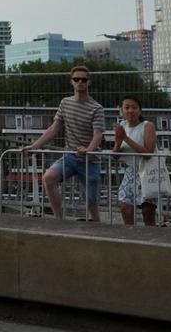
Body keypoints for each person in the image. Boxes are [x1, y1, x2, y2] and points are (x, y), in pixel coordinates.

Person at [21, 66, 104, 221]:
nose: (80, 82)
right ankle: (59, 220)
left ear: (89, 83)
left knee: (91, 202)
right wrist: (34, 146)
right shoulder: (65, 103)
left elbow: (98, 134)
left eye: (84, 79)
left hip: (90, 161)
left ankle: (97, 228)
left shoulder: (96, 108)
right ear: (71, 82)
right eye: (76, 79)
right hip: (71, 156)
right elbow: (54, 128)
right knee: (49, 177)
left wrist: (89, 150)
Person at [113, 95, 158, 226]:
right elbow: (116, 153)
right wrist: (118, 142)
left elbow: (148, 153)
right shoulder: (122, 126)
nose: (130, 111)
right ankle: (130, 234)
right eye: (126, 108)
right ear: (122, 110)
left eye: (134, 107)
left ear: (140, 110)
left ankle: (150, 238)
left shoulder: (147, 126)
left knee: (147, 211)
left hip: (147, 170)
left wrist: (126, 138)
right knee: (124, 206)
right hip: (130, 170)